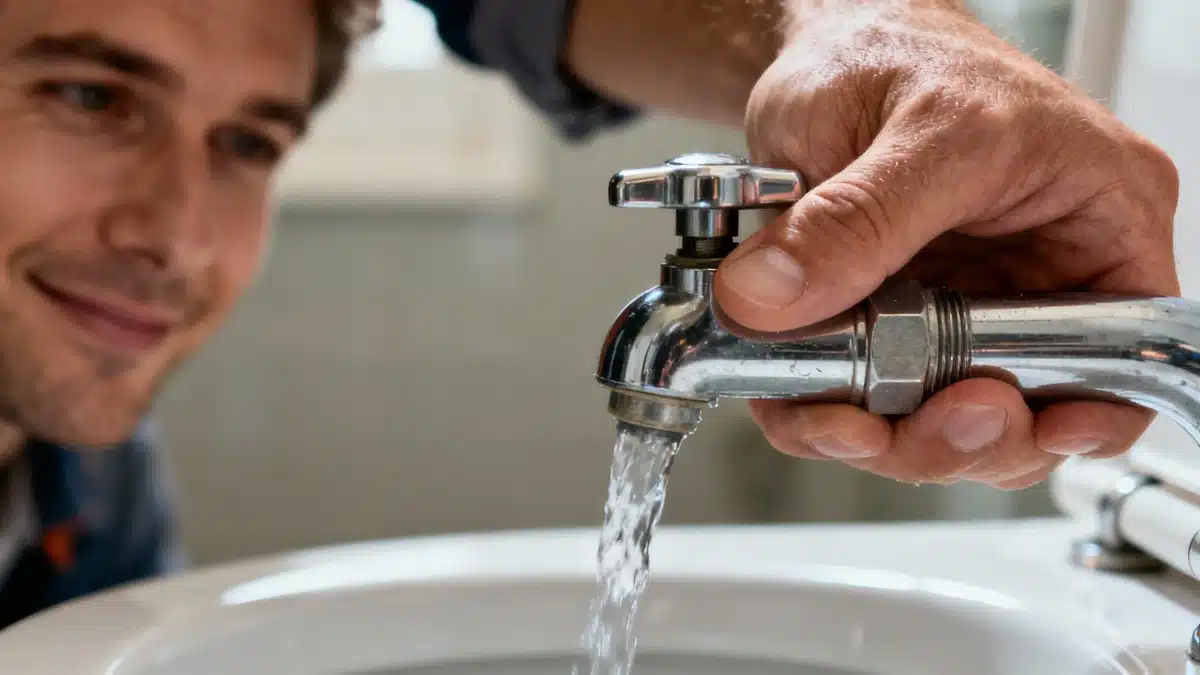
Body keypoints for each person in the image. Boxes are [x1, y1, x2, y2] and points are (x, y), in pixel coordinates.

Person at [0, 0, 1179, 628]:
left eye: (248, 143)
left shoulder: (82, 485)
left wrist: (862, 34)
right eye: (90, 95)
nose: (179, 233)